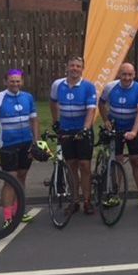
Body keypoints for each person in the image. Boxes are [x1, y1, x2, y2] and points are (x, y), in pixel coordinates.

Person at [0, 69, 40, 225]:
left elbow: (34, 121)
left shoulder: (28, 97)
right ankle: (8, 217)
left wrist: (37, 141)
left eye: (18, 81)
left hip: (26, 144)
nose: (15, 84)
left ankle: (19, 211)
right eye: (12, 81)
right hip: (8, 145)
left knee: (22, 176)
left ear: (22, 82)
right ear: (5, 81)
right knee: (10, 180)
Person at [50, 56, 97, 214]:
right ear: (67, 67)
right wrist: (56, 121)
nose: (75, 68)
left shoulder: (89, 87)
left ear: (82, 69)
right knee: (71, 166)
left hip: (83, 130)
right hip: (66, 129)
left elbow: (91, 110)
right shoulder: (58, 85)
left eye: (78, 66)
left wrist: (85, 128)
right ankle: (74, 201)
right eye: (72, 65)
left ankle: (87, 201)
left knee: (84, 166)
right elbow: (53, 102)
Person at [99, 62, 138, 208]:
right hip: (116, 128)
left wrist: (134, 131)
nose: (127, 77)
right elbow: (101, 103)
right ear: (119, 74)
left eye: (130, 74)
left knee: (135, 160)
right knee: (117, 161)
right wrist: (106, 120)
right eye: (124, 74)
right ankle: (115, 194)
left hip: (132, 127)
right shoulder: (110, 87)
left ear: (134, 75)